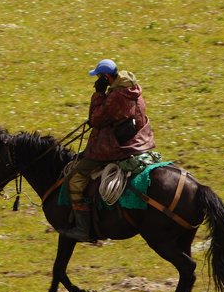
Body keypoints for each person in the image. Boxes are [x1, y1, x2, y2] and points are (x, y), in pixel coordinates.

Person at [64, 58, 156, 242]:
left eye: (99, 77)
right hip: (142, 141)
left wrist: (98, 94)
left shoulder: (115, 97)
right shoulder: (133, 90)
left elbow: (95, 119)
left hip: (116, 148)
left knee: (75, 178)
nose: (97, 79)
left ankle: (83, 229)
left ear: (106, 77)